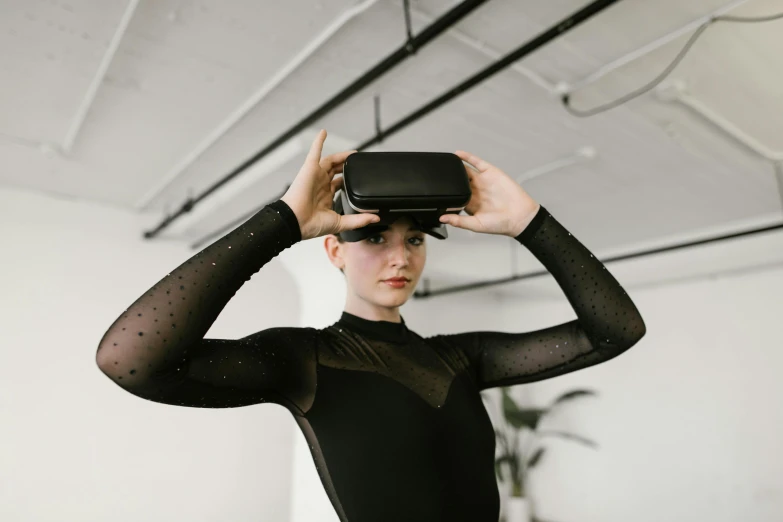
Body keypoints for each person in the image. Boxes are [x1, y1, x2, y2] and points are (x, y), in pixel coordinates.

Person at [96, 129, 646, 522]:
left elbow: (615, 330)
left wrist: (531, 224)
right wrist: (284, 222)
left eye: (413, 239)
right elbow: (130, 358)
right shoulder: (302, 361)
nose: (400, 257)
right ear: (334, 249)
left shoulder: (462, 357)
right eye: (376, 238)